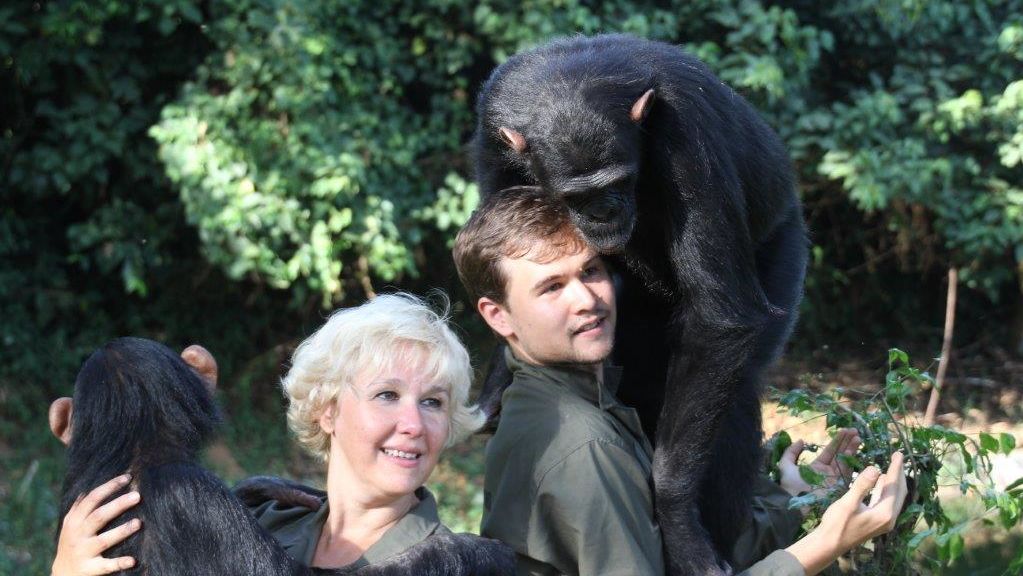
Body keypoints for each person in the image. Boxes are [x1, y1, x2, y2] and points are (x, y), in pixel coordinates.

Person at [452, 187, 908, 576]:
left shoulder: (565, 400)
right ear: (498, 315)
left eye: (591, 270)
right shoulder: (584, 445)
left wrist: (793, 497)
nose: (587, 299)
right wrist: (825, 544)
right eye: (551, 287)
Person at [51, 293, 493, 575]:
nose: (413, 424)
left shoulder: (237, 508)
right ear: (327, 410)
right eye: (386, 394)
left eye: (433, 402)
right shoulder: (260, 514)